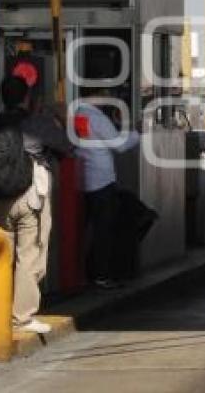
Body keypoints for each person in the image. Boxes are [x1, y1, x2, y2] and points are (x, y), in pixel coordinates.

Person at [0, 76, 71, 334]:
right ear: (26, 98)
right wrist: (59, 120)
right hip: (30, 197)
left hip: (0, 198)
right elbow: (67, 148)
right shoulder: (36, 122)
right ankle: (22, 317)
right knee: (29, 256)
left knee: (2, 258)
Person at [74, 88, 140, 289]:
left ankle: (81, 273)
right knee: (103, 229)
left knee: (83, 229)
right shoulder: (97, 117)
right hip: (102, 180)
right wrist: (137, 133)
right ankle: (101, 274)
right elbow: (119, 145)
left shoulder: (76, 113)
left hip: (82, 178)